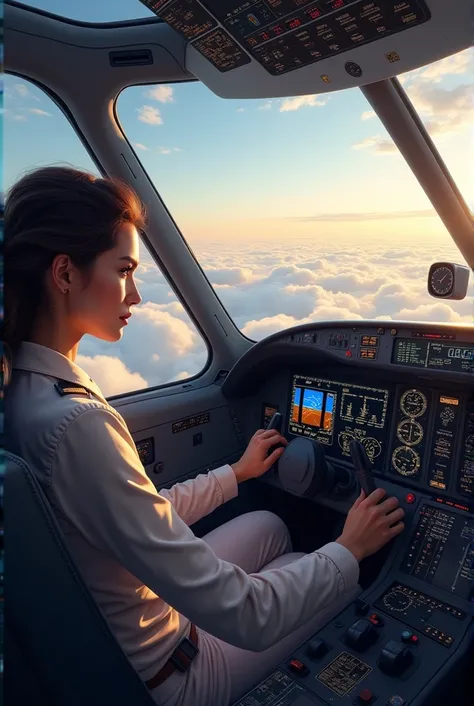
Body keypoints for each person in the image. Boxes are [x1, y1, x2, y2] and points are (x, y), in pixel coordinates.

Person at [4, 166, 405, 706]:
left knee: (267, 522)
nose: (137, 294)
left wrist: (236, 474)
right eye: (124, 270)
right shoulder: (75, 425)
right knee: (314, 572)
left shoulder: (28, 393)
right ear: (64, 273)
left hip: (121, 623)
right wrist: (350, 547)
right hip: (172, 676)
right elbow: (246, 613)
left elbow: (138, 515)